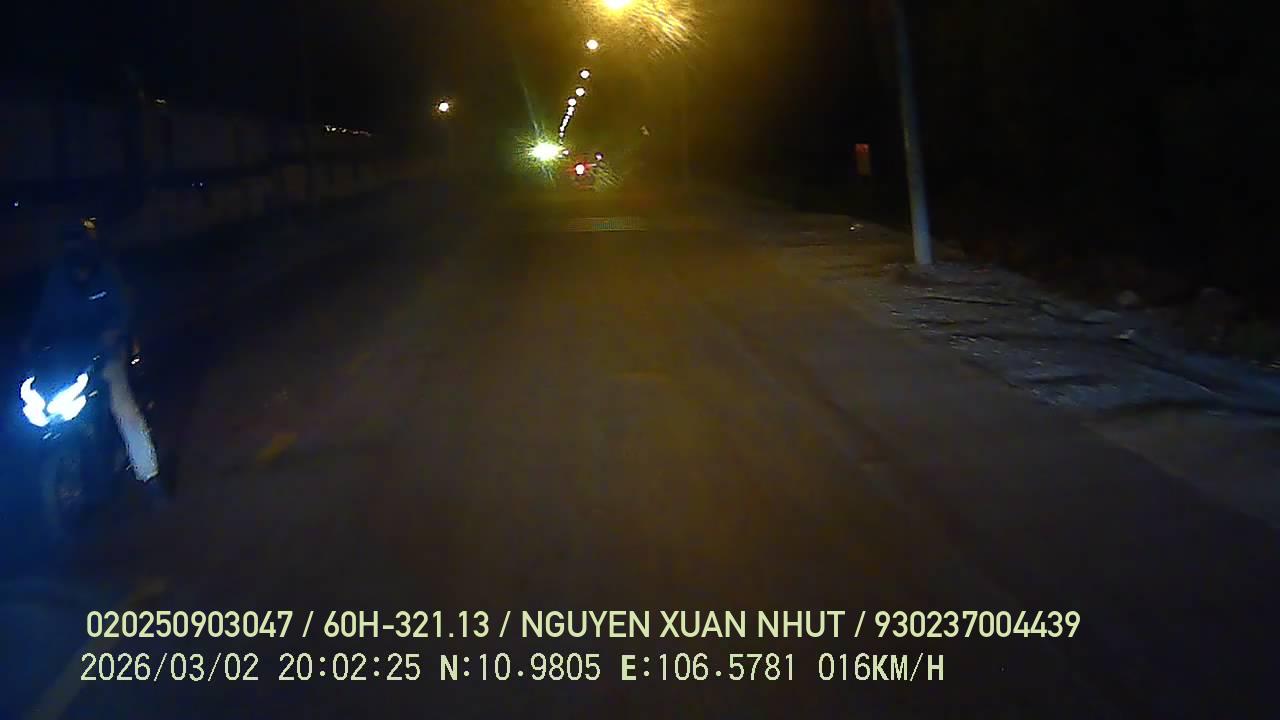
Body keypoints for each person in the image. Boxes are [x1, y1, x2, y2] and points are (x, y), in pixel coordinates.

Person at [27, 217, 165, 496]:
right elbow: (45, 315)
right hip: (68, 360)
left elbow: (122, 309)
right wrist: (31, 340)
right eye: (68, 242)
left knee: (125, 411)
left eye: (78, 241)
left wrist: (114, 332)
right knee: (40, 408)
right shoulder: (58, 279)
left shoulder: (106, 274)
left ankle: (150, 477)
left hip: (106, 356)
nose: (73, 247)